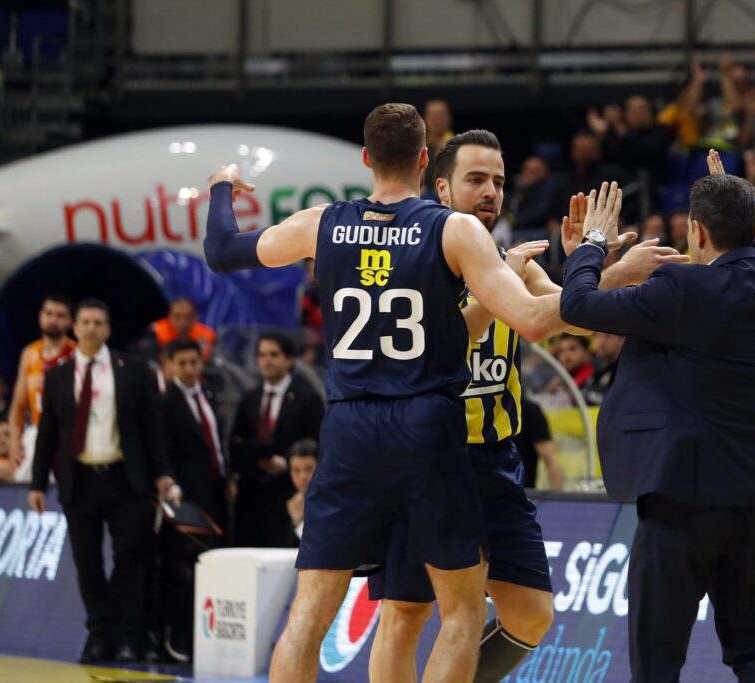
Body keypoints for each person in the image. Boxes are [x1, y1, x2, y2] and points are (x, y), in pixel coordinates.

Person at [204, 103, 570, 683]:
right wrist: (592, 263)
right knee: (461, 612)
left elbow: (222, 251)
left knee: (308, 615)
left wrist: (223, 185)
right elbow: (530, 317)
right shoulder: (452, 229)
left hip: (350, 426)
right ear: (426, 161)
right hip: (427, 424)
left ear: (366, 159)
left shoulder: (322, 224)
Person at [366, 129, 672, 683]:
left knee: (531, 614)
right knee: (406, 612)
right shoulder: (412, 258)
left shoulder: (515, 263)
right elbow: (442, 343)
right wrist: (519, 283)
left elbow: (570, 319)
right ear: (441, 188)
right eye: (476, 179)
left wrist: (589, 267)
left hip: (494, 460)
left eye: (499, 182)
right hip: (423, 455)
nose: (491, 191)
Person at [558, 153, 755, 681]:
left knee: (657, 663)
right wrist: (733, 202)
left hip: (683, 501)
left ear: (696, 231)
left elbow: (577, 305)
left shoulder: (680, 289)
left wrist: (592, 244)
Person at [27, 299, 180, 663]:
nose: (91, 328)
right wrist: (37, 483)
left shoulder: (134, 370)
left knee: (130, 559)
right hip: (79, 479)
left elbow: (151, 428)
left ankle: (127, 637)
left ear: (108, 329)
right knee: (87, 563)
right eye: (86, 322)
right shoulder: (58, 375)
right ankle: (99, 635)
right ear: (75, 328)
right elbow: (47, 433)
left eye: (98, 322)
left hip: (125, 478)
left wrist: (163, 472)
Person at [156, 338, 230, 661]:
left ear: (202, 362)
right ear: (170, 365)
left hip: (216, 492)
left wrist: (229, 476)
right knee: (182, 569)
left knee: (212, 566)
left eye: (193, 362)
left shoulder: (209, 395)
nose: (188, 369)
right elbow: (162, 451)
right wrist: (171, 485)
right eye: (182, 363)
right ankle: (176, 636)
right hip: (184, 499)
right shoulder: (165, 403)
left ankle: (203, 636)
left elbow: (217, 443)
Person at [230, 332, 323, 548]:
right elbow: (236, 440)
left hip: (288, 493)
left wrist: (285, 464)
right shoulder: (249, 398)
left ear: (289, 360)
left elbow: (316, 444)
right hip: (251, 495)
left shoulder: (308, 399)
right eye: (262, 355)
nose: (266, 360)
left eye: (273, 354)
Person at [8, 294, 76, 480]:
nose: (53, 320)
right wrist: (14, 440)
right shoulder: (29, 353)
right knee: (26, 483)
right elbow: (19, 404)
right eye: (49, 313)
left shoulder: (77, 353)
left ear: (71, 322)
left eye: (60, 315)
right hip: (36, 431)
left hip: (67, 435)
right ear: (40, 316)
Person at [513, 396, 564, 490]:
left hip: (521, 492)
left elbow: (551, 460)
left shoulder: (529, 410)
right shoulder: (487, 413)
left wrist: (555, 497)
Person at [150, 297, 216, 361]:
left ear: (195, 317)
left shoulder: (206, 335)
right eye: (177, 317)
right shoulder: (156, 332)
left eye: (188, 317)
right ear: (169, 316)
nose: (183, 322)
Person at [285, 438, 318, 545]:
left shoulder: (332, 502)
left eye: (309, 469)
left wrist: (298, 520)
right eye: (296, 470)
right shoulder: (292, 500)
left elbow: (319, 546)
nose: (302, 476)